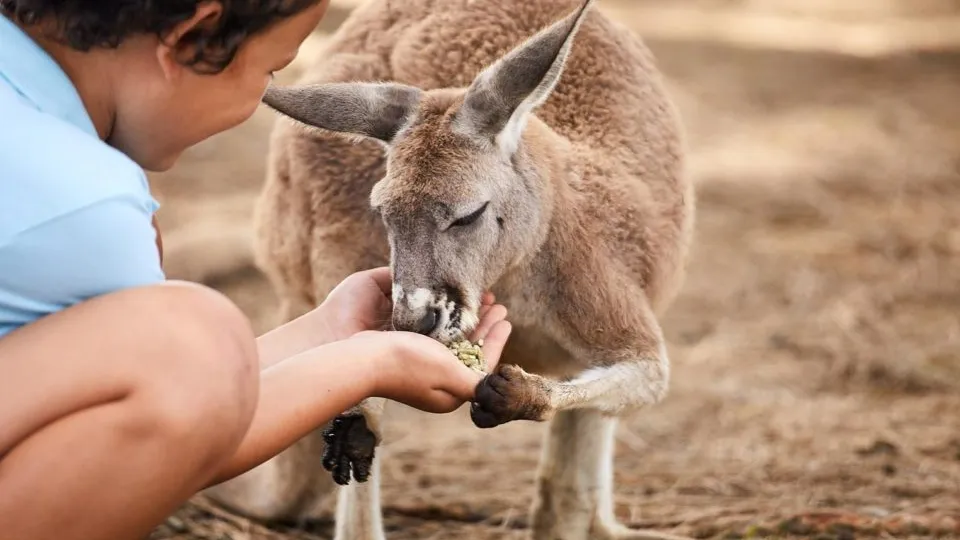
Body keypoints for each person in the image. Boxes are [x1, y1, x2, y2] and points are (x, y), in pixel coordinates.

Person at [0, 1, 513, 539]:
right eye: (272, 69)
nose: (259, 97)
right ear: (194, 38)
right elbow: (190, 423)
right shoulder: (86, 206)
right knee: (196, 328)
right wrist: (371, 365)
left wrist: (327, 332)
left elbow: (164, 382)